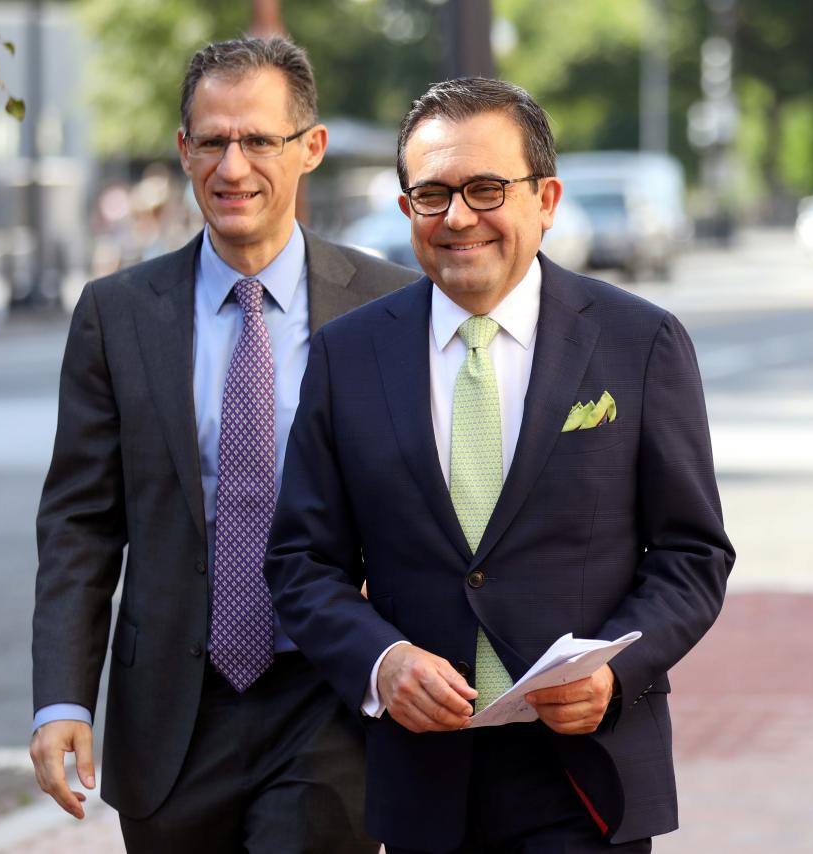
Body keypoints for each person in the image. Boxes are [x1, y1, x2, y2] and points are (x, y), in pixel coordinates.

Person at [264, 77, 734, 853]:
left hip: (585, 777)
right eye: (431, 194)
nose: (458, 218)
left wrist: (615, 674)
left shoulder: (638, 343)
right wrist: (380, 663)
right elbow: (301, 561)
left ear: (545, 199)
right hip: (422, 781)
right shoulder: (350, 355)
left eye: (486, 189)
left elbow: (692, 554)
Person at [29, 37, 415, 854]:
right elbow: (81, 526)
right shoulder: (117, 314)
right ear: (184, 149)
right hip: (171, 710)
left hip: (328, 701)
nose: (232, 167)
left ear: (308, 148)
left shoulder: (390, 306)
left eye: (258, 140)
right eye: (211, 140)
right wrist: (62, 700)